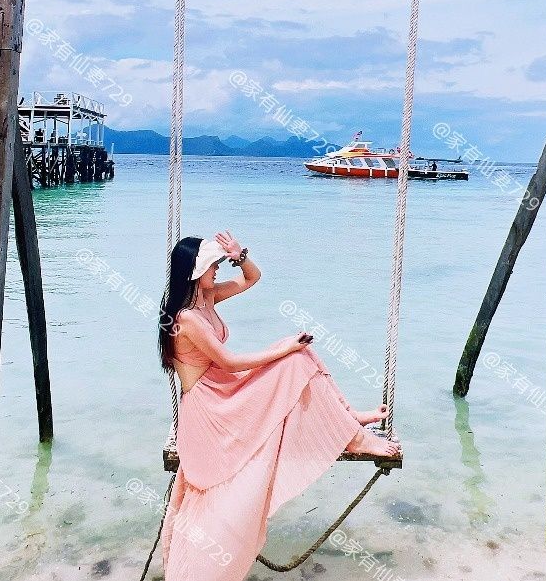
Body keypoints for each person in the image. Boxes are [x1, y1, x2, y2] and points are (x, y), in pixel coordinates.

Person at [159, 232, 400, 581]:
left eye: (218, 263)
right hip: (210, 407)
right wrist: (283, 349)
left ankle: (349, 420)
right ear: (195, 272)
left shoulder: (207, 299)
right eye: (212, 264)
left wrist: (239, 255)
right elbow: (229, 362)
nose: (217, 269)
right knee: (294, 357)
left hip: (224, 391)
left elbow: (251, 278)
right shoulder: (187, 319)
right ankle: (354, 432)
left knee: (300, 357)